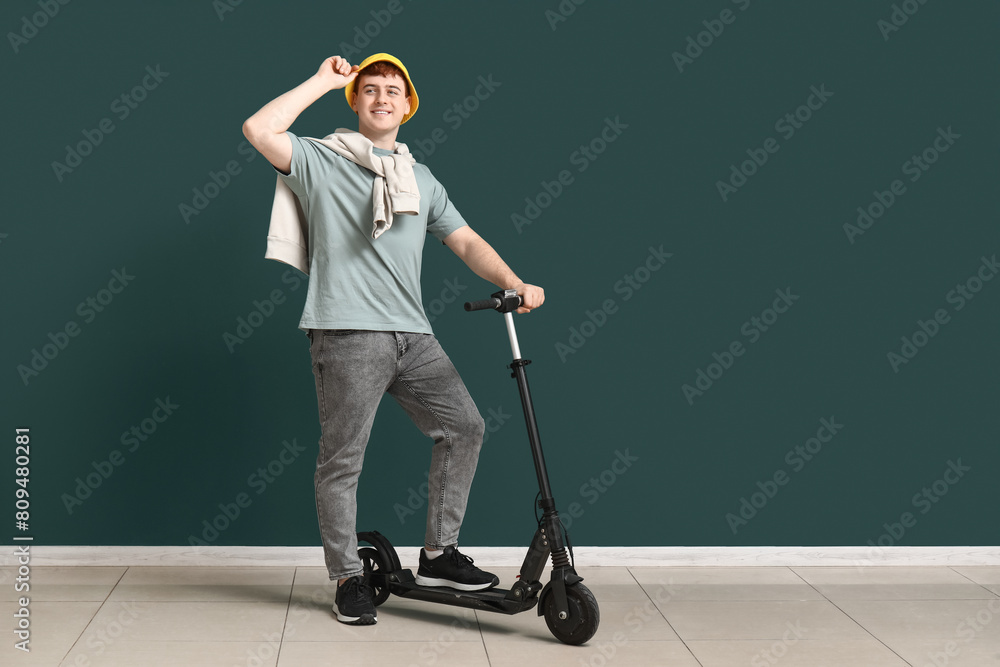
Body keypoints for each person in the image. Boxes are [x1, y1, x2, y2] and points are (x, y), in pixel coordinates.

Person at [242, 53, 544, 625]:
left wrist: (514, 281)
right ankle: (348, 579)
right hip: (348, 331)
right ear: (355, 102)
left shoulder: (421, 179)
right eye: (370, 89)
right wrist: (323, 80)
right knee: (343, 460)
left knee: (464, 427)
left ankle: (438, 553)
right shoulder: (320, 161)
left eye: (393, 91)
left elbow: (466, 240)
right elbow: (259, 130)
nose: (382, 98)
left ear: (408, 106)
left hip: (413, 334)